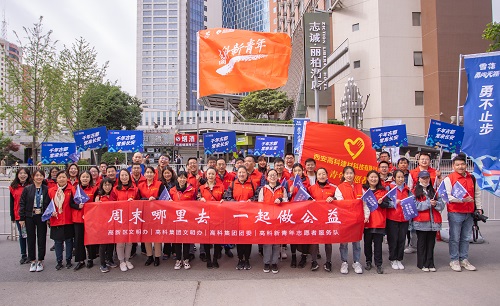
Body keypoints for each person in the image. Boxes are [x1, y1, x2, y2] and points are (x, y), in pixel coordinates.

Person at [444, 153, 482, 272]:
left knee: (465, 237)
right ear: (453, 166)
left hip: (469, 212)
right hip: (455, 212)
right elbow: (447, 196)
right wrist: (461, 200)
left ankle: (464, 259)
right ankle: (454, 260)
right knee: (455, 237)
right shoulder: (449, 178)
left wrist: (479, 208)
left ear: (466, 165)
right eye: (458, 165)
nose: (460, 167)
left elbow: (477, 194)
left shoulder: (472, 178)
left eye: (462, 164)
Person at [334, 166, 368, 274]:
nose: (349, 175)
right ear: (343, 175)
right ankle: (344, 262)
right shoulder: (339, 187)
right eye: (347, 173)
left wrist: (366, 215)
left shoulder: (360, 187)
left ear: (354, 174)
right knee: (344, 243)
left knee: (356, 243)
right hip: (345, 220)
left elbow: (365, 203)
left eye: (351, 173)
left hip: (358, 219)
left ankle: (356, 262)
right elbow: (340, 204)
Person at [406, 152, 442, 254]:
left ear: (430, 161)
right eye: (422, 159)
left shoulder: (435, 172)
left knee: (430, 225)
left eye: (426, 159)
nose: (424, 161)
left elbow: (439, 186)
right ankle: (413, 245)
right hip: (417, 198)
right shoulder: (413, 172)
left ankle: (427, 248)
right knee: (415, 225)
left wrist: (439, 177)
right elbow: (410, 186)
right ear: (418, 160)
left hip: (432, 198)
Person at [224, 166, 258, 270]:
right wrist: (236, 203)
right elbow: (227, 197)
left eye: (243, 172)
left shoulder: (253, 184)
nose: (241, 174)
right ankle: (240, 259)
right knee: (239, 239)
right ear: (237, 174)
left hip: (249, 216)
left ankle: (247, 259)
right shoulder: (233, 184)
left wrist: (251, 201)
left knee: (247, 238)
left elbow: (257, 196)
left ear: (247, 174)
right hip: (237, 216)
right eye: (239, 173)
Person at [413, 170, 444, 272]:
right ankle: (422, 263)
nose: (425, 180)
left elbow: (441, 205)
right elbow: (415, 206)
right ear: (419, 179)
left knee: (431, 243)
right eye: (423, 178)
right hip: (421, 221)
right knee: (422, 243)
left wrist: (436, 204)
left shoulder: (434, 191)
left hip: (433, 222)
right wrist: (428, 203)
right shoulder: (414, 191)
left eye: (427, 178)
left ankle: (430, 262)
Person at [258, 169, 288, 274]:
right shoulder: (263, 189)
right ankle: (267, 262)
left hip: (278, 219)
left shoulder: (282, 189)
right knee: (267, 243)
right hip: (267, 219)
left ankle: (274, 262)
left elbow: (287, 202)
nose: (272, 177)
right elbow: (260, 203)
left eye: (274, 175)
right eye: (270, 175)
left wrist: (281, 200)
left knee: (276, 243)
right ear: (267, 177)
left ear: (277, 177)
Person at [19, 169, 49, 272]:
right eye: (37, 175)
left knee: (41, 238)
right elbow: (22, 203)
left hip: (41, 216)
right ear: (33, 177)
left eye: (41, 175)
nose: (39, 177)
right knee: (30, 238)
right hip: (29, 216)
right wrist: (21, 218)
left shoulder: (46, 189)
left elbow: (49, 203)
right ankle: (32, 260)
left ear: (43, 177)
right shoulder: (27, 189)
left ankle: (40, 260)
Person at [111, 169, 141, 272]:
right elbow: (111, 204)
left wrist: (134, 202)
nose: (124, 177)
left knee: (129, 241)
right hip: (120, 218)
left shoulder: (135, 189)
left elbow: (139, 203)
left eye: (126, 175)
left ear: (129, 176)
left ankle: (127, 259)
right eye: (122, 175)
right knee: (120, 242)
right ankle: (121, 261)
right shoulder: (115, 189)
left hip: (132, 218)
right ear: (119, 177)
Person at [307, 167, 337, 272]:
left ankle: (328, 262)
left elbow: (340, 200)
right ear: (316, 176)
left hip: (328, 218)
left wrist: (333, 199)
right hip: (315, 218)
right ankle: (314, 261)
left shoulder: (333, 188)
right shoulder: (311, 188)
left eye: (323, 174)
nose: (321, 176)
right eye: (319, 174)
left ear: (327, 175)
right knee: (314, 241)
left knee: (328, 241)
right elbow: (306, 201)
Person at [362, 170, 390, 274]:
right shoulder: (363, 190)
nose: (373, 179)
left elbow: (387, 205)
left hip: (379, 222)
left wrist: (382, 203)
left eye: (375, 177)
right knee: (367, 244)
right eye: (371, 177)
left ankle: (379, 264)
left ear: (378, 179)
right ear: (367, 178)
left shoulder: (383, 191)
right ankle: (368, 261)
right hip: (367, 221)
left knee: (378, 245)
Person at [138, 166, 166, 267]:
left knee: (157, 235)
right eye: (147, 172)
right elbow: (138, 198)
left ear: (154, 174)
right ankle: (149, 256)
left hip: (156, 213)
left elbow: (164, 198)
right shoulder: (140, 185)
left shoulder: (159, 184)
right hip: (144, 213)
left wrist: (155, 198)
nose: (149, 174)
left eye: (151, 172)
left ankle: (157, 256)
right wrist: (145, 199)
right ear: (144, 174)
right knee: (147, 235)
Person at [169, 171, 197, 270]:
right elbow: (168, 203)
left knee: (186, 240)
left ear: (186, 179)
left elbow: (196, 204)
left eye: (184, 178)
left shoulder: (192, 190)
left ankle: (186, 259)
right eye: (180, 177)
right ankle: (178, 260)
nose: (182, 179)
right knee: (177, 240)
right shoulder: (172, 190)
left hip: (187, 219)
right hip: (176, 219)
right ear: (177, 179)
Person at [48, 171, 75, 270]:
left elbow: (74, 202)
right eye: (59, 177)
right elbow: (47, 205)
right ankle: (59, 261)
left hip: (68, 220)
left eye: (64, 177)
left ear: (67, 178)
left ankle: (68, 260)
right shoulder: (51, 191)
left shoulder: (71, 189)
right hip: (56, 220)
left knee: (69, 241)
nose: (62, 179)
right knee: (58, 242)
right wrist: (51, 213)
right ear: (57, 179)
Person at [198, 167, 225, 268]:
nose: (211, 176)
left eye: (213, 174)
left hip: (218, 217)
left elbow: (225, 198)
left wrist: (223, 201)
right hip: (205, 216)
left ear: (215, 175)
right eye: (209, 174)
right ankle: (208, 259)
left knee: (217, 238)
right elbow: (196, 199)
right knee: (206, 239)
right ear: (206, 175)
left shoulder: (221, 187)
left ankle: (215, 259)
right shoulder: (201, 188)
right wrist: (200, 199)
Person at [71, 171, 98, 271]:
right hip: (78, 218)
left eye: (87, 177)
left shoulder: (94, 189)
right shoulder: (74, 190)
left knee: (90, 239)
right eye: (83, 177)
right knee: (78, 240)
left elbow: (97, 204)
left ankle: (90, 258)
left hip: (90, 218)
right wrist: (78, 206)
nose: (85, 179)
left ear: (90, 178)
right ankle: (80, 260)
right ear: (80, 178)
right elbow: (71, 204)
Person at [386, 170, 411, 270]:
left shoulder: (407, 190)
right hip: (392, 217)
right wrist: (394, 203)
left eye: (402, 177)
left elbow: (411, 201)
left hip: (404, 218)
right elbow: (385, 202)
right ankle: (393, 259)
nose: (401, 179)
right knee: (393, 239)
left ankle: (399, 259)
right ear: (394, 178)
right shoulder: (389, 188)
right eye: (398, 177)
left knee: (402, 239)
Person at [287, 163, 310, 268]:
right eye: (295, 171)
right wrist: (290, 192)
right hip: (293, 212)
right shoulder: (288, 182)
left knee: (304, 235)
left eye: (299, 171)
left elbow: (311, 196)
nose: (297, 173)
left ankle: (304, 257)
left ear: (303, 171)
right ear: (292, 172)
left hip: (304, 212)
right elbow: (284, 197)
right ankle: (293, 257)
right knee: (293, 236)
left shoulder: (307, 182)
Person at [94, 178, 118, 273]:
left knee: (111, 243)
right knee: (103, 244)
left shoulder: (114, 195)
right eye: (105, 185)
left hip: (112, 223)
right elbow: (94, 211)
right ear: (102, 186)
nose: (107, 187)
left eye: (109, 185)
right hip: (102, 224)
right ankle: (102, 263)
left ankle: (109, 259)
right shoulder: (98, 197)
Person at [10, 167, 32, 265]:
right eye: (20, 173)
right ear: (17, 175)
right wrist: (12, 217)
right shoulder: (13, 187)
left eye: (25, 173)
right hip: (19, 216)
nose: (22, 175)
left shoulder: (32, 185)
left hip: (30, 215)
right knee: (22, 235)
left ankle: (31, 255)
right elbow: (12, 203)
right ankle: (23, 255)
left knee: (31, 236)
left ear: (28, 175)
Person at [160, 166, 177, 260]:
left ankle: (174, 250)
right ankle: (166, 251)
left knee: (174, 230)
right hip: (164, 209)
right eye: (165, 173)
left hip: (174, 210)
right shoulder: (160, 184)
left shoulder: (176, 183)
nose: (167, 175)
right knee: (166, 231)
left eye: (168, 173)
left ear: (172, 173)